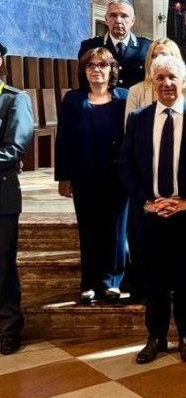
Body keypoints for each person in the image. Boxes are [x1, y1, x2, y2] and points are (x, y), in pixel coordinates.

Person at [118, 55, 186, 364]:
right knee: (154, 278)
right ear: (152, 82)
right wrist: (147, 201)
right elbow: (126, 164)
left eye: (172, 77)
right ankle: (156, 337)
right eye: (160, 78)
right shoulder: (138, 118)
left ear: (183, 81)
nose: (166, 83)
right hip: (150, 213)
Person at [56, 47, 129, 304]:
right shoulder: (73, 99)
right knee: (89, 230)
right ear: (84, 71)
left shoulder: (124, 97)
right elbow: (63, 139)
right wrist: (64, 177)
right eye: (90, 66)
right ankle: (89, 282)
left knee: (117, 231)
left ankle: (112, 281)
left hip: (117, 176)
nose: (96, 70)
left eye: (102, 65)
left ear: (112, 70)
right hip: (84, 175)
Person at [0, 40, 34, 355]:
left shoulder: (14, 99)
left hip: (2, 196)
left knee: (2, 265)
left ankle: (9, 328)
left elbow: (15, 147)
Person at [78, 0, 152, 88]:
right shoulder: (90, 46)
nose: (118, 20)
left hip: (137, 101)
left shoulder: (147, 47)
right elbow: (83, 82)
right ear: (106, 19)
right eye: (113, 15)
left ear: (132, 21)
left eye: (124, 16)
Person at [125, 38, 186, 119]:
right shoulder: (135, 91)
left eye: (164, 55)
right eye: (154, 56)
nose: (157, 59)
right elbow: (130, 128)